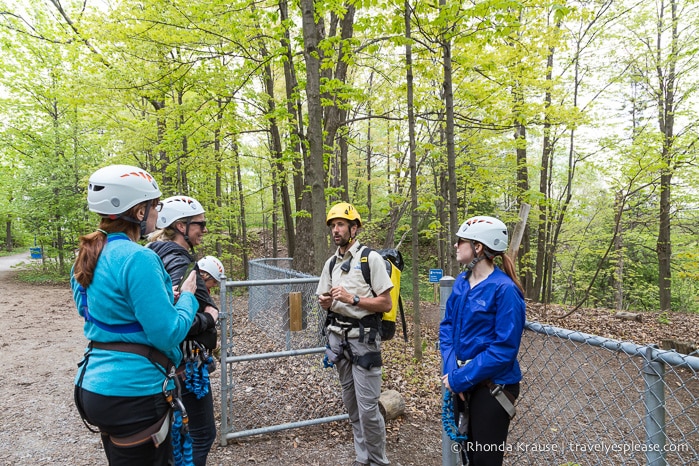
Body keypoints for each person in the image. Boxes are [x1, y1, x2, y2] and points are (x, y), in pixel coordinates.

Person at [71, 164, 200, 466]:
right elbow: (167, 333)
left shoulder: (89, 253)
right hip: (135, 393)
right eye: (155, 205)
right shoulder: (139, 257)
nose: (157, 212)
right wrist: (189, 298)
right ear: (139, 211)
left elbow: (90, 309)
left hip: (96, 388)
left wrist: (161, 301)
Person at [439, 215, 526, 466]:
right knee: (467, 456)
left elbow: (504, 349)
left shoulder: (504, 290)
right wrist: (452, 370)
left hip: (492, 386)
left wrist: (460, 378)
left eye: (460, 241)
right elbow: (447, 329)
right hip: (462, 384)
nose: (456, 246)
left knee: (485, 459)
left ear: (478, 247)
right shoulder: (461, 283)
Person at [316, 202, 393, 466]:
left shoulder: (370, 259)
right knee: (352, 407)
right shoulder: (331, 264)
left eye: (340, 225)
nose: (335, 230)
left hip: (364, 341)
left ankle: (378, 460)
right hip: (339, 341)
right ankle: (363, 458)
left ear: (354, 228)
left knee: (369, 409)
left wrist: (353, 299)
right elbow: (324, 295)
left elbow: (385, 303)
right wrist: (326, 302)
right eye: (333, 226)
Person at [147, 196, 219, 466]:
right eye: (200, 223)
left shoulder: (157, 254)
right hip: (186, 365)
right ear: (180, 226)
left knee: (178, 434)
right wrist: (209, 318)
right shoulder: (178, 261)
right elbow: (177, 318)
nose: (204, 229)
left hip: (172, 364)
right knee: (201, 434)